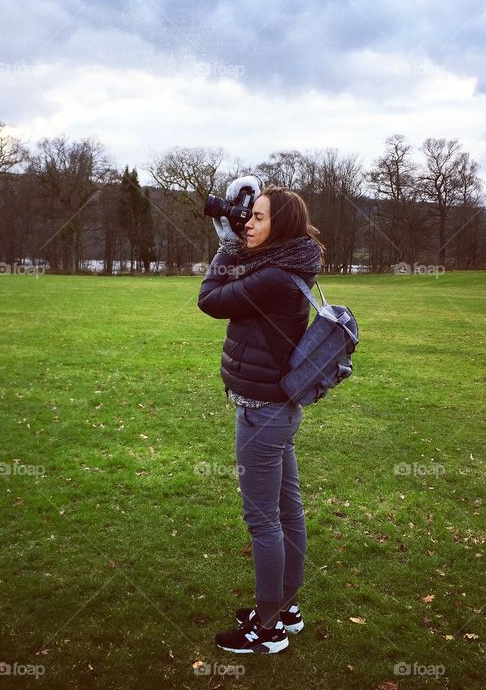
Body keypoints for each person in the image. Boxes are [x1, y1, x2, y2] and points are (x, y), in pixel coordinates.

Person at [197, 176, 325, 654]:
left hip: (261, 415)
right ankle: (286, 608)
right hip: (278, 411)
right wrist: (237, 238)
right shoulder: (288, 261)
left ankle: (267, 629)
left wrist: (226, 246)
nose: (247, 223)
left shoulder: (272, 276)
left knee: (263, 521)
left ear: (281, 225)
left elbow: (210, 299)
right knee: (288, 512)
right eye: (248, 216)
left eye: (257, 217)